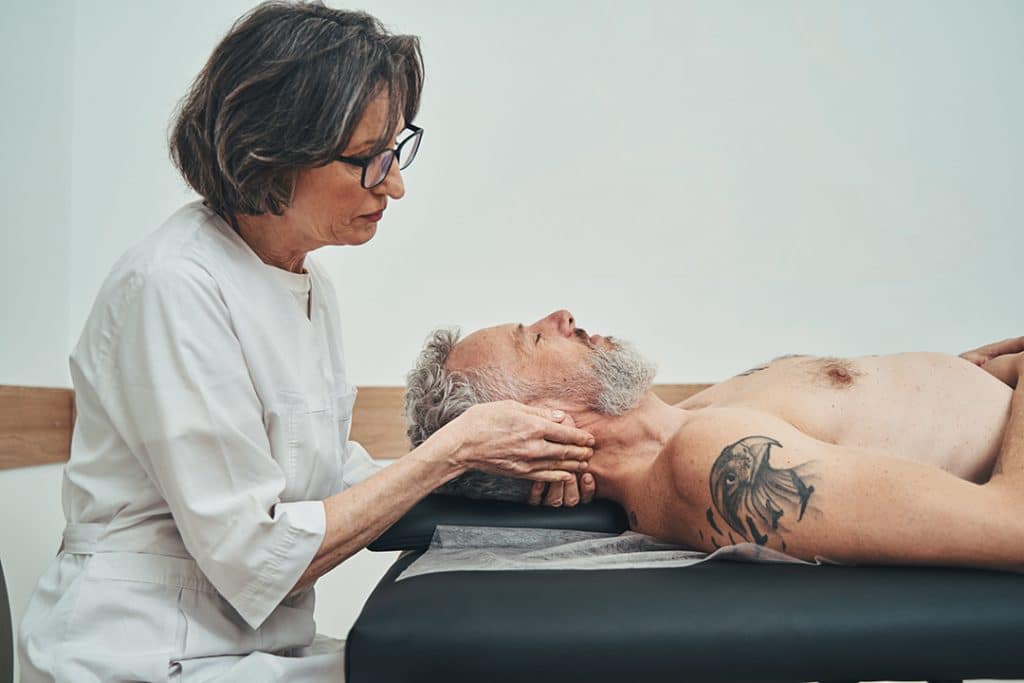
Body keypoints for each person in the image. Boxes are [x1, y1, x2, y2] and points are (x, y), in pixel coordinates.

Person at [17, 6, 596, 682]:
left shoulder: (304, 280)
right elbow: (252, 551)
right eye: (369, 161)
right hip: (138, 652)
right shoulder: (172, 287)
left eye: (397, 149)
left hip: (253, 644)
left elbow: (328, 476)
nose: (396, 184)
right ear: (274, 151)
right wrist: (457, 447)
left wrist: (497, 475)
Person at [404, 309, 1024, 570]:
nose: (562, 317)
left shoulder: (701, 416)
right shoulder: (708, 464)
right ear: (532, 428)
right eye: (533, 339)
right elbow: (1013, 522)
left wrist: (973, 377)